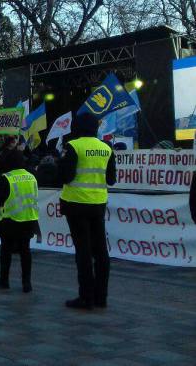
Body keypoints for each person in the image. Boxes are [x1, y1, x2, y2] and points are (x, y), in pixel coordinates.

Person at [59, 114, 116, 310]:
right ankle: (101, 297)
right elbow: (111, 179)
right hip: (98, 204)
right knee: (101, 251)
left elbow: (66, 177)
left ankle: (86, 297)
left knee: (83, 251)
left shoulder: (73, 146)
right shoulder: (106, 148)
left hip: (75, 203)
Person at [0, 150, 39, 292]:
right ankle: (26, 283)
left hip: (10, 220)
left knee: (6, 250)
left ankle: (4, 279)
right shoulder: (32, 176)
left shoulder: (7, 178)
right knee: (25, 251)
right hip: (29, 218)